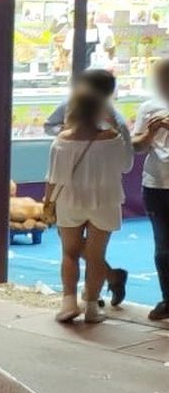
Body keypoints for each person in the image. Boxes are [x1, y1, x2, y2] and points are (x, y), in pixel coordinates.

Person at [43, 68, 130, 304]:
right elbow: (127, 164)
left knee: (70, 251)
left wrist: (47, 204)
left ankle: (69, 302)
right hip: (105, 197)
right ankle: (93, 304)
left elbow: (53, 177)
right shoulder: (115, 131)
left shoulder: (61, 141)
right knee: (95, 255)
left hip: (70, 197)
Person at [133, 58, 169, 320]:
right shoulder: (148, 107)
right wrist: (150, 132)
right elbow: (137, 146)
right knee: (163, 247)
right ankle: (168, 299)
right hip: (155, 184)